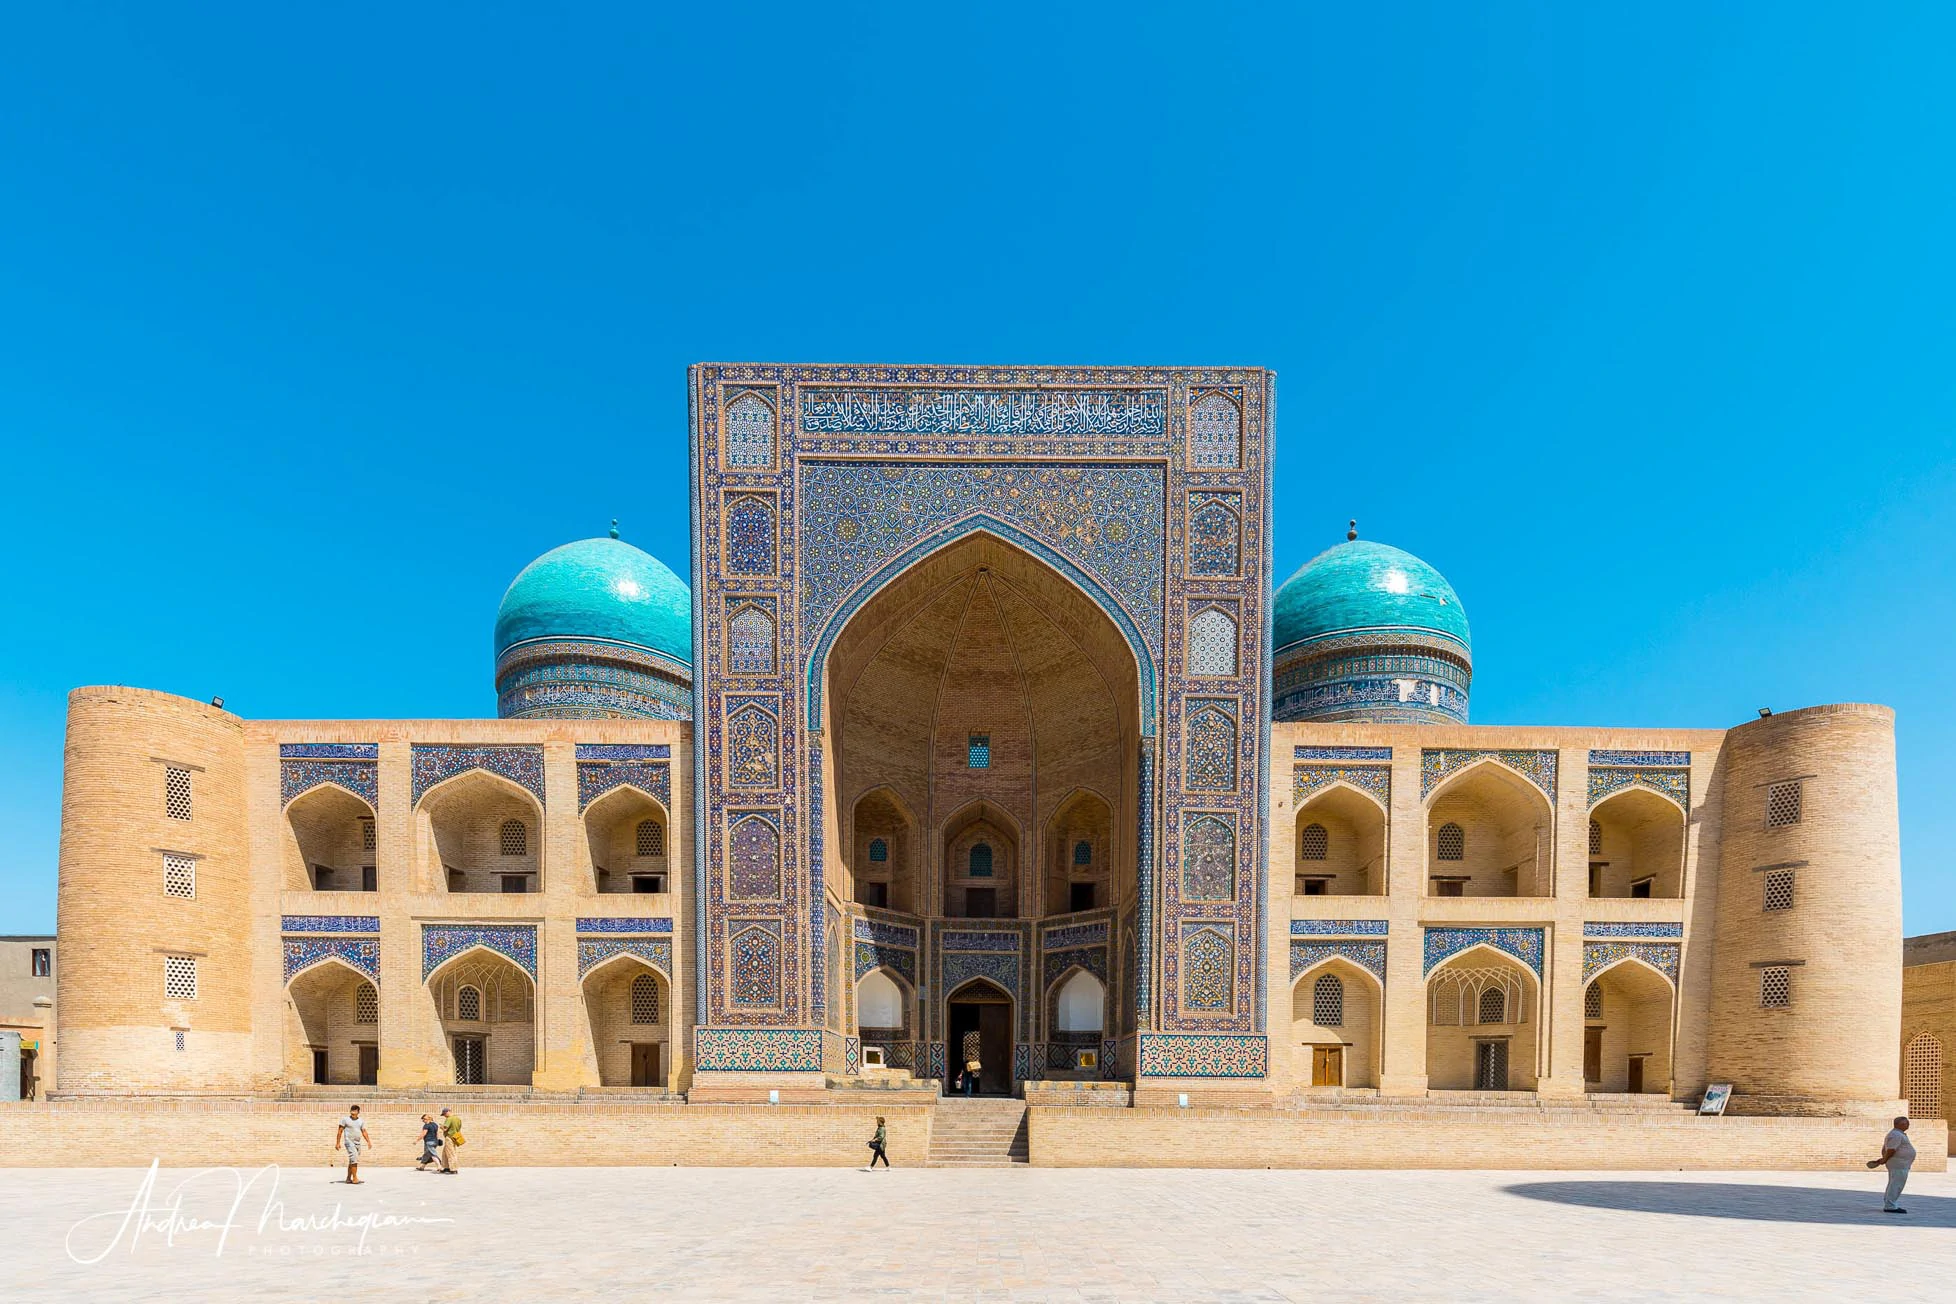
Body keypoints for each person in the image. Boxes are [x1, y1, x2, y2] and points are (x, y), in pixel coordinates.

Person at [1867, 1115, 1916, 1213]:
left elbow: (1886, 1148)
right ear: (1899, 1124)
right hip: (1898, 1164)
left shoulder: (1897, 1134)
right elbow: (1891, 1149)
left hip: (1900, 1164)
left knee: (1894, 1183)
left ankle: (1889, 1203)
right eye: (1906, 1123)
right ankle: (1890, 1205)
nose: (1908, 1125)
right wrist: (1885, 1159)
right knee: (1896, 1184)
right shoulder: (1896, 1135)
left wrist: (1884, 1159)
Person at [334, 1104, 374, 1185]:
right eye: (351, 1110)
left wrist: (368, 1141)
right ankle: (355, 1178)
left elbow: (364, 1132)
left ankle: (348, 1178)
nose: (352, 1112)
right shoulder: (345, 1119)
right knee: (354, 1158)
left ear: (358, 1112)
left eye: (355, 1111)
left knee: (352, 1160)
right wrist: (337, 1143)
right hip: (349, 1141)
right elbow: (340, 1131)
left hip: (357, 1142)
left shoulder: (361, 1121)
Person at [438, 1106, 464, 1174]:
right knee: (445, 1153)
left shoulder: (449, 1118)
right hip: (455, 1137)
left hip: (449, 1137)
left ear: (447, 1112)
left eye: (444, 1114)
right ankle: (446, 1167)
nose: (444, 1116)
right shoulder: (458, 1119)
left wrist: (441, 1126)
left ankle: (453, 1169)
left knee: (451, 1153)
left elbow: (445, 1129)